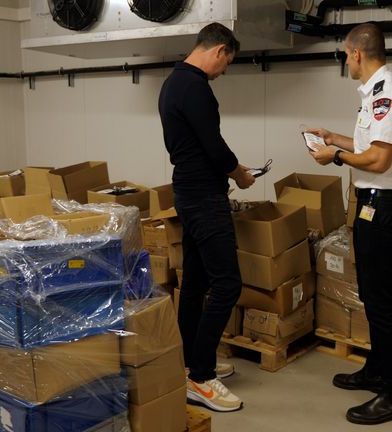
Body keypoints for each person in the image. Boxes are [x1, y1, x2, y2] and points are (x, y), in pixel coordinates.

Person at [306, 23, 392, 425]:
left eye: (344, 53)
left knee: (381, 301)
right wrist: (334, 139)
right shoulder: (375, 93)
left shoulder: (387, 92)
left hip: (384, 207)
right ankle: (377, 370)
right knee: (373, 296)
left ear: (357, 53)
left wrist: (334, 158)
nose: (344, 60)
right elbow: (367, 145)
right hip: (375, 204)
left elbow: (378, 160)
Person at [158, 22, 255, 412]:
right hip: (203, 198)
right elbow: (214, 148)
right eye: (226, 63)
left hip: (188, 190)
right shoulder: (196, 87)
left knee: (195, 282)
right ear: (218, 51)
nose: (224, 71)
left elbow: (200, 145)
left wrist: (227, 169)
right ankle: (200, 377)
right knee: (228, 284)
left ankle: (190, 362)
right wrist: (240, 174)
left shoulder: (172, 83)